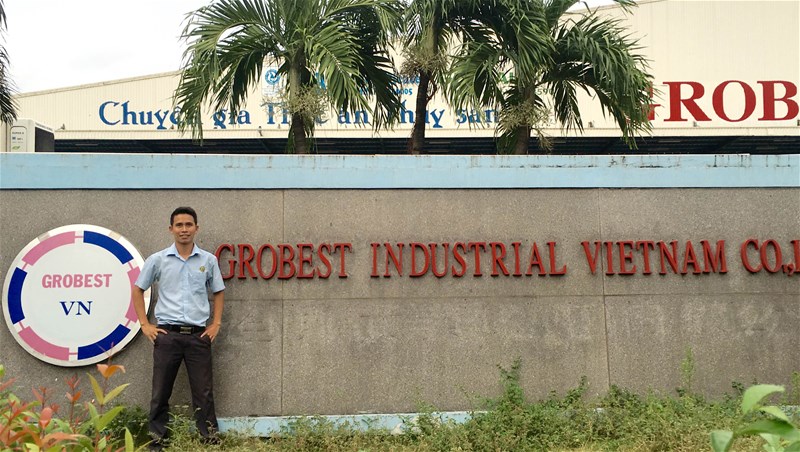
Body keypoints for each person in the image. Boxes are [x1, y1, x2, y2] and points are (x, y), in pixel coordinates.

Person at [132, 206, 225, 450]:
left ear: (196, 228)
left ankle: (209, 440)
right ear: (171, 229)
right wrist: (145, 324)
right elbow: (138, 289)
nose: (184, 229)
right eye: (179, 225)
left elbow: (218, 291)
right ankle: (157, 442)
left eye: (188, 225)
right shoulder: (158, 260)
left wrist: (216, 323)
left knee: (204, 393)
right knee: (160, 392)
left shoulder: (208, 260)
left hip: (198, 337)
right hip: (167, 336)